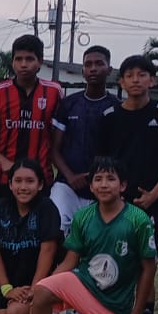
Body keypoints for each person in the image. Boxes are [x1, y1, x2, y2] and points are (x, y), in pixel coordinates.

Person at [18, 156, 156, 314]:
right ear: (90, 186)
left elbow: (148, 269)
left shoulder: (138, 220)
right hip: (83, 284)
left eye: (110, 179)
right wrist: (44, 286)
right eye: (98, 179)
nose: (104, 184)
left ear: (122, 185)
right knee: (43, 290)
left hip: (114, 304)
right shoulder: (83, 216)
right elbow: (70, 260)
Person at [95, 53, 158, 314]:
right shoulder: (109, 116)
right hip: (116, 202)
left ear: (152, 80)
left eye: (142, 75)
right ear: (121, 81)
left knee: (145, 265)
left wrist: (155, 193)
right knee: (114, 263)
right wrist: (110, 194)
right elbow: (101, 162)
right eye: (129, 75)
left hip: (148, 202)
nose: (136, 80)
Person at [0, 158, 63, 314]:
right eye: (18, 181)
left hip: (37, 286)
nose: (23, 187)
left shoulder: (47, 208)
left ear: (40, 184)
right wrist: (6, 289)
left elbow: (48, 250)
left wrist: (34, 289)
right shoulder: (0, 207)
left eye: (30, 181)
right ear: (10, 184)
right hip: (9, 286)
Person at [0, 34, 63, 214]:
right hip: (4, 178)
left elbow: (58, 137)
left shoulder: (54, 92)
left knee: (40, 226)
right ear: (12, 62)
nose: (23, 64)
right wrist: (4, 162)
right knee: (2, 226)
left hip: (41, 178)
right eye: (18, 59)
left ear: (40, 61)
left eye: (29, 59)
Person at [49, 44, 117, 223]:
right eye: (88, 64)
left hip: (102, 187)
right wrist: (70, 176)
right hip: (67, 185)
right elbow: (54, 149)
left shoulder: (117, 107)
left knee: (97, 232)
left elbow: (120, 152)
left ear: (109, 70)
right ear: (83, 70)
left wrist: (101, 178)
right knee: (57, 224)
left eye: (99, 64)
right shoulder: (68, 104)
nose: (93, 68)